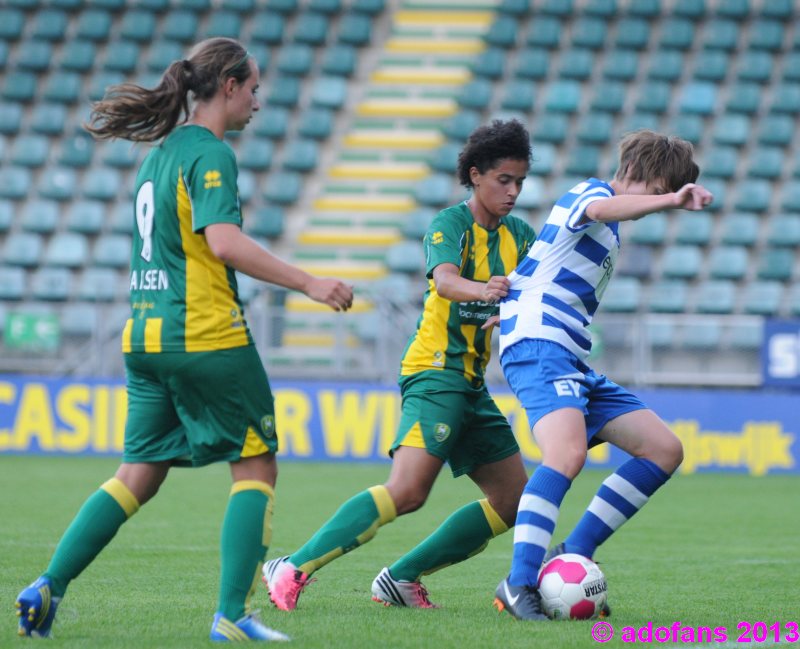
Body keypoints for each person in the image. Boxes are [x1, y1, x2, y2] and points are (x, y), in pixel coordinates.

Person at [14, 37, 353, 642]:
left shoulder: (161, 152)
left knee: (137, 472)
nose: (257, 101)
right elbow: (221, 241)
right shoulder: (211, 154)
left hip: (145, 335)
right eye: (252, 88)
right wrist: (309, 282)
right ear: (228, 86)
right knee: (255, 465)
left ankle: (47, 585)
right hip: (205, 334)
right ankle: (231, 615)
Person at [262, 119, 537, 611]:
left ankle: (402, 578)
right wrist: (485, 291)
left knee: (516, 499)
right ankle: (293, 566)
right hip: (434, 371)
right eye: (504, 180)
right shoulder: (449, 225)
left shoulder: (521, 235)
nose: (513, 191)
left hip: (472, 384)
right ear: (475, 175)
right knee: (408, 490)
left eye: (520, 181)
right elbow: (446, 282)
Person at [492, 130, 713, 620]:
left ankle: (571, 555)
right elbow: (600, 211)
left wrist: (511, 302)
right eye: (658, 189)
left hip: (567, 352)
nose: (659, 202)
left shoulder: (607, 227)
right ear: (641, 174)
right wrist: (670, 201)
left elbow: (536, 266)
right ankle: (520, 583)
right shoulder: (592, 194)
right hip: (540, 344)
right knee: (566, 454)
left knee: (663, 449)